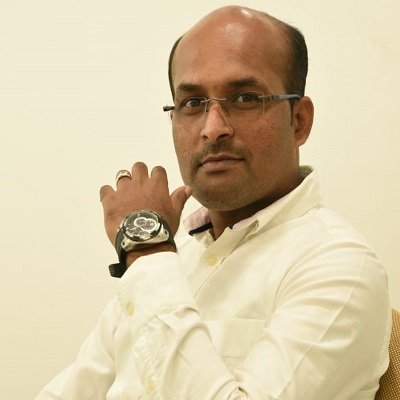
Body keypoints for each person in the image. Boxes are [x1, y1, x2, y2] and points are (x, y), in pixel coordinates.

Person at [35, 5, 391, 400]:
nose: (213, 128)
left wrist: (146, 248)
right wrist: (154, 258)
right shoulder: (172, 261)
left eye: (244, 97)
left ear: (299, 121)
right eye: (192, 103)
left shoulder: (340, 267)